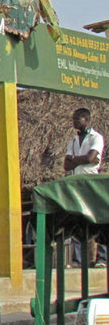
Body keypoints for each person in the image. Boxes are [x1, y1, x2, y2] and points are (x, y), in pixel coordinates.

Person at [64, 108, 106, 266]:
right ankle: (77, 259)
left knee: (96, 218)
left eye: (78, 120)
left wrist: (75, 159)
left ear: (86, 120)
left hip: (90, 181)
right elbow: (66, 165)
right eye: (73, 119)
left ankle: (101, 257)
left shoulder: (96, 137)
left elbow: (92, 157)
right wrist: (82, 159)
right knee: (77, 218)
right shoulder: (73, 141)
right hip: (76, 182)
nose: (74, 122)